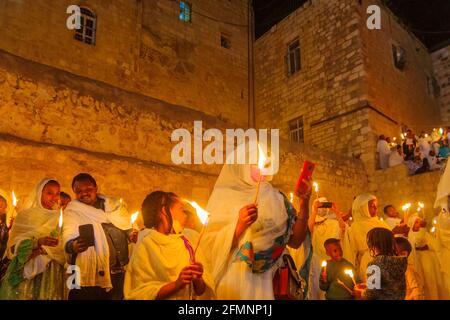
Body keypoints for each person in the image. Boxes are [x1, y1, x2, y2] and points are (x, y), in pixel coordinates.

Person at [201, 147, 311, 299]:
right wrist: (238, 226)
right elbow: (206, 244)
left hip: (273, 281)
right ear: (241, 166)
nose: (263, 168)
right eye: (255, 163)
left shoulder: (278, 198)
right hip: (237, 281)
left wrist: (304, 204)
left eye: (265, 163)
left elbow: (295, 241)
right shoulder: (225, 198)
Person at [124, 191, 214, 300]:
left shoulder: (187, 244)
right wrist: (176, 285)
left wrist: (197, 278)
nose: (185, 215)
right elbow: (138, 293)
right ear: (164, 211)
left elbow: (200, 291)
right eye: (181, 209)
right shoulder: (146, 244)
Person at [63, 173, 136, 300]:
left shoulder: (114, 206)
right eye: (79, 191)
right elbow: (68, 234)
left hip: (119, 271)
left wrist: (132, 235)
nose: (84, 193)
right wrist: (73, 245)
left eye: (88, 189)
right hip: (90, 274)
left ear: (96, 188)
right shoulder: (73, 211)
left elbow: (127, 226)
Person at [0, 179, 65, 300]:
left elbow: (63, 245)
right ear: (39, 193)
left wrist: (48, 249)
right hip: (27, 269)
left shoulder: (60, 217)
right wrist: (38, 242)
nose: (54, 197)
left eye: (57, 193)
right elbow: (13, 247)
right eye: (49, 193)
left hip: (51, 271)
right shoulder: (25, 216)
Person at [342, 193, 390, 282]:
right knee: (374, 289)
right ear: (362, 208)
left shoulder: (380, 223)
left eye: (376, 206)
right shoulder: (356, 226)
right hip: (370, 262)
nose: (376, 209)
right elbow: (360, 247)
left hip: (388, 260)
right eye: (372, 206)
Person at [307, 198, 345, 300]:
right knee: (314, 289)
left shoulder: (333, 222)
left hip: (330, 262)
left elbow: (343, 230)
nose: (322, 207)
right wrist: (314, 211)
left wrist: (337, 213)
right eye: (320, 205)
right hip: (314, 262)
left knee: (329, 291)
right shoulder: (311, 222)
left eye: (324, 205)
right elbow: (308, 231)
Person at [354, 228, 407, 300]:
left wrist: (361, 293)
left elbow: (372, 294)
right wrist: (367, 285)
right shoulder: (399, 262)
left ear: (373, 244)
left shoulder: (374, 264)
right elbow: (391, 285)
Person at [407, 215, 449, 299]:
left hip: (429, 259)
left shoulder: (425, 233)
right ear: (412, 224)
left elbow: (435, 244)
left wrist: (428, 246)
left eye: (420, 221)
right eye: (417, 222)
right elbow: (416, 242)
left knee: (433, 281)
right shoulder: (411, 234)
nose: (419, 224)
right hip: (419, 261)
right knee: (425, 281)